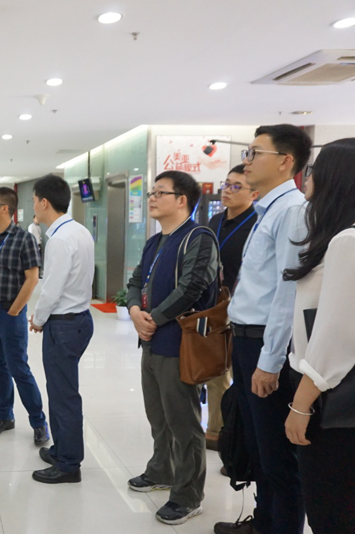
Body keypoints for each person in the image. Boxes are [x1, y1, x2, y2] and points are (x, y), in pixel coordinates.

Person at [215, 124, 311, 534]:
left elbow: (288, 291)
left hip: (264, 344)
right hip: (248, 340)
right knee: (258, 445)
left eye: (256, 153)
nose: (247, 161)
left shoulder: (291, 210)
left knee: (276, 454)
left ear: (286, 161)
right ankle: (264, 523)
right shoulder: (268, 209)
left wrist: (270, 361)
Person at [125, 171, 219, 525]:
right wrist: (134, 312)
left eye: (159, 192)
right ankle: (161, 470)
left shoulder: (198, 237)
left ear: (182, 200)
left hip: (180, 343)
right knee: (158, 415)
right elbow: (136, 281)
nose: (151, 198)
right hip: (151, 341)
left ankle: (188, 495)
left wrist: (154, 318)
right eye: (151, 192)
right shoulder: (155, 241)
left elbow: (192, 286)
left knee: (183, 422)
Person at [284, 138, 355, 534]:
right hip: (351, 397)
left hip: (335, 398)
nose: (308, 176)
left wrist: (301, 405)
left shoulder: (351, 240)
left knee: (333, 513)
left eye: (315, 169)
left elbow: (337, 335)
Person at [28, 174, 94, 484]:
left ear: (44, 202)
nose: (33, 207)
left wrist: (38, 319)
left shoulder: (59, 240)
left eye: (33, 201)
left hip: (64, 324)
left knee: (63, 395)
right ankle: (62, 450)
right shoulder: (79, 231)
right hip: (79, 319)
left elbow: (51, 289)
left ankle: (68, 464)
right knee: (60, 391)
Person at [0, 188, 48, 444]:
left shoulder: (24, 238)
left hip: (9, 314)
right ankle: (5, 416)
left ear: (5, 208)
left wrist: (14, 310)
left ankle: (39, 422)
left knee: (19, 369)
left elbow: (32, 278)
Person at [204, 165, 259, 452]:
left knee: (239, 373)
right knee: (215, 369)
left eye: (236, 186)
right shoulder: (214, 221)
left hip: (246, 309)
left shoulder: (257, 224)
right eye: (226, 184)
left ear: (254, 193)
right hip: (214, 306)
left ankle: (234, 435)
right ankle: (216, 430)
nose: (227, 190)